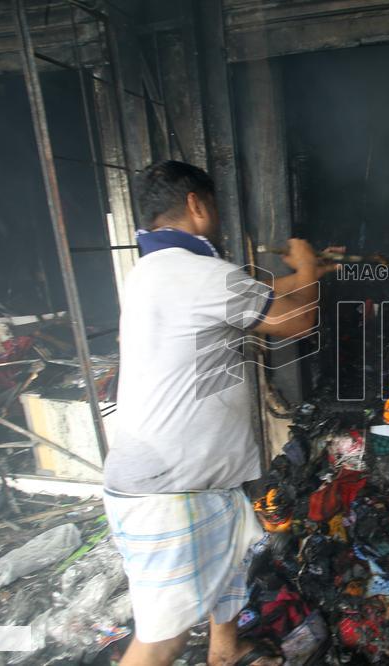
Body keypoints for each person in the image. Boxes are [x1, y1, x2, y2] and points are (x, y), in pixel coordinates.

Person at [103, 160, 332, 666]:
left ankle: (224, 652)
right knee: (161, 638)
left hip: (199, 480)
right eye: (215, 207)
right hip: (168, 489)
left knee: (229, 569)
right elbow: (296, 319)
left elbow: (271, 301)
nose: (220, 219)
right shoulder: (198, 274)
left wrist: (306, 273)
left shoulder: (156, 272)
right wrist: (310, 270)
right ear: (196, 205)